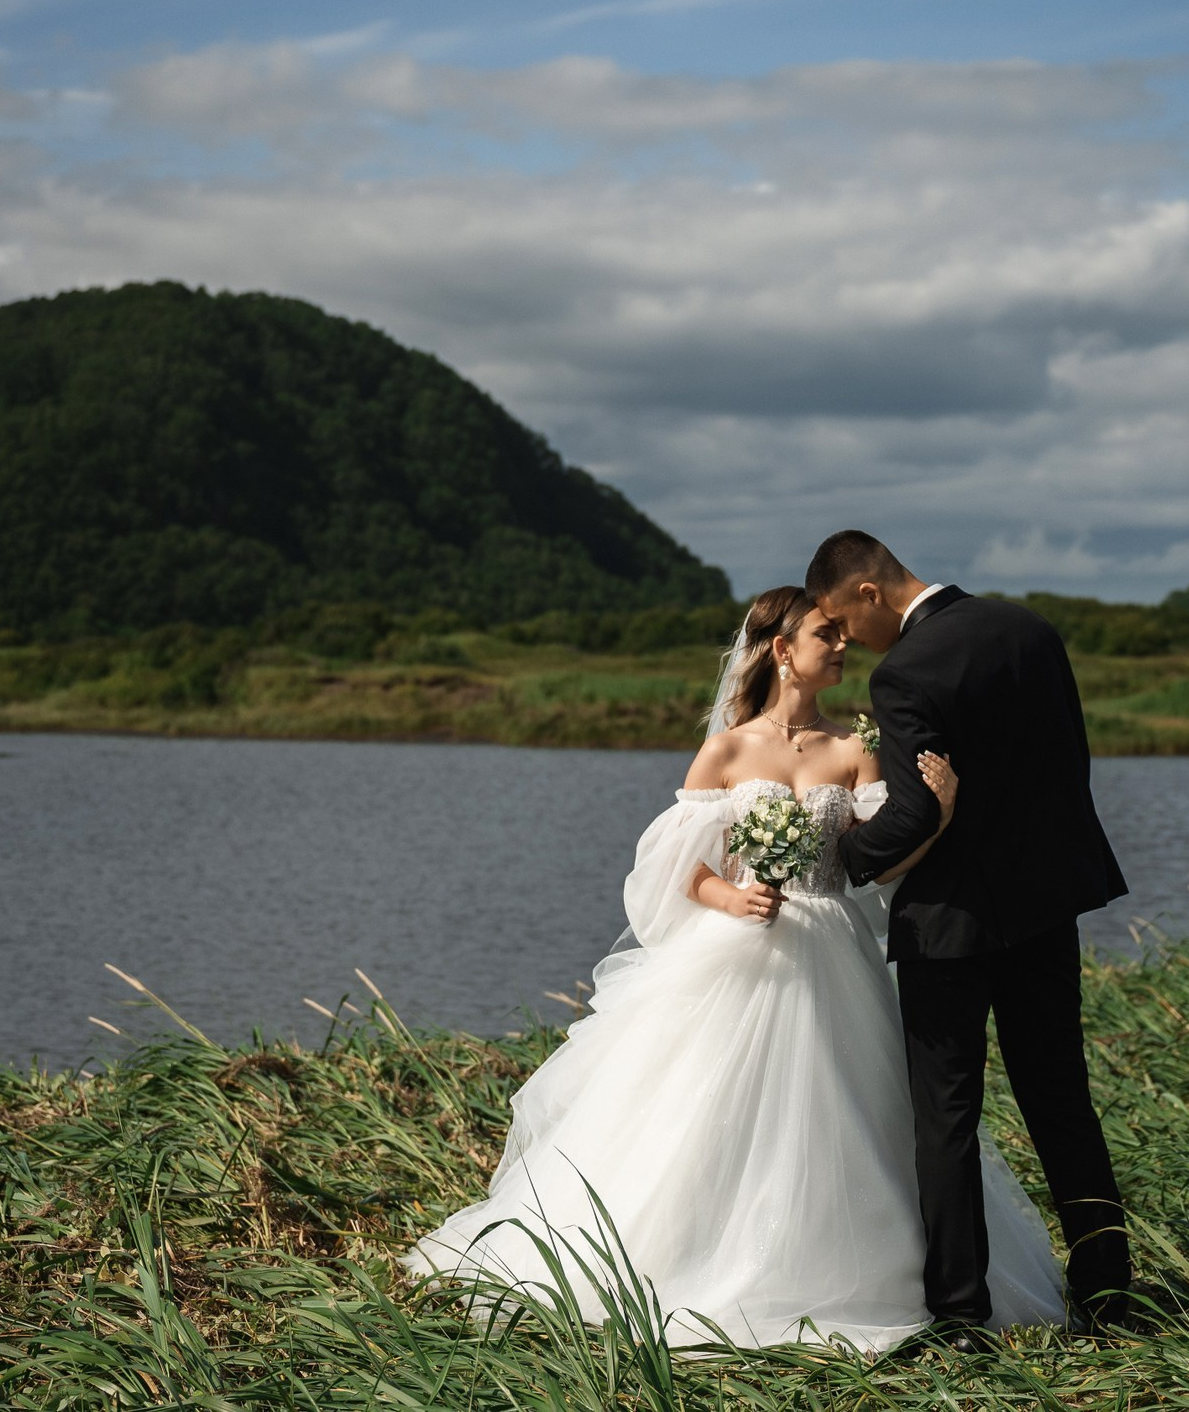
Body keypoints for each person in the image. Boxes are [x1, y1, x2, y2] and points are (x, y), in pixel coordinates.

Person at [404, 585, 1066, 1351]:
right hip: (738, 953)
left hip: (830, 952)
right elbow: (676, 865)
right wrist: (730, 896)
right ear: (783, 650)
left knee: (849, 1111)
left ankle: (857, 1277)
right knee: (698, 1111)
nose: (844, 646)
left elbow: (878, 870)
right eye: (827, 635)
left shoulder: (855, 746)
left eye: (843, 635)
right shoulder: (727, 747)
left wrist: (940, 817)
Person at [807, 530, 1132, 1347]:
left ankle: (961, 1318)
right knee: (1062, 1102)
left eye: (844, 621)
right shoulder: (1031, 630)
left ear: (870, 591)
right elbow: (1071, 766)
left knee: (945, 1118)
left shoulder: (908, 672)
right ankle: (1110, 1298)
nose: (846, 640)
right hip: (1047, 908)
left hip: (952, 925)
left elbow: (917, 814)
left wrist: (834, 857)